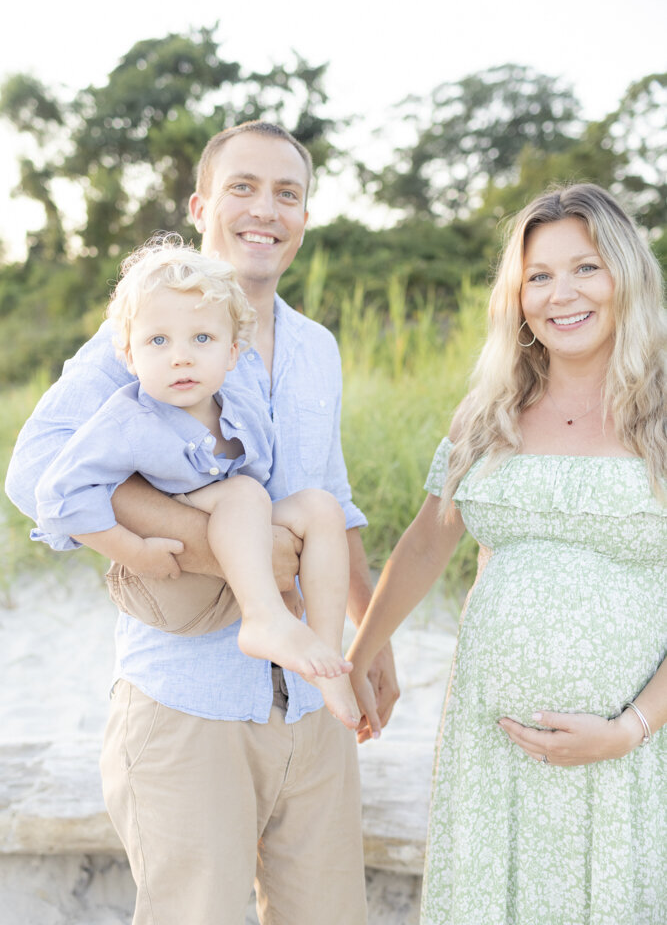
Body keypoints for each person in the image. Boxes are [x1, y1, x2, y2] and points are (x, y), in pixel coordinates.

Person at [6, 121, 399, 925]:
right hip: (189, 700)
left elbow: (331, 491)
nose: (266, 210)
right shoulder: (149, 336)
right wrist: (213, 548)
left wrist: (370, 634)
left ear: (304, 215)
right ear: (201, 205)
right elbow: (35, 474)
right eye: (242, 188)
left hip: (310, 694)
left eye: (286, 193)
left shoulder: (317, 348)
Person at [347, 183, 666, 924]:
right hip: (492, 758)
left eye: (585, 268)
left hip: (633, 755)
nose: (562, 294)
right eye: (539, 276)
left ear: (626, 275)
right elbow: (427, 542)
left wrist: (629, 729)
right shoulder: (487, 412)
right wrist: (362, 653)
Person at [32, 242, 360, 728]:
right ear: (129, 353)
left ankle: (325, 653)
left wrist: (287, 581)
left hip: (237, 521)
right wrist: (131, 549)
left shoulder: (240, 407)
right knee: (243, 494)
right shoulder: (126, 419)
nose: (180, 358)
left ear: (232, 352)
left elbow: (267, 487)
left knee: (320, 506)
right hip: (180, 570)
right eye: (158, 342)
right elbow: (58, 495)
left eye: (201, 339)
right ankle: (261, 619)